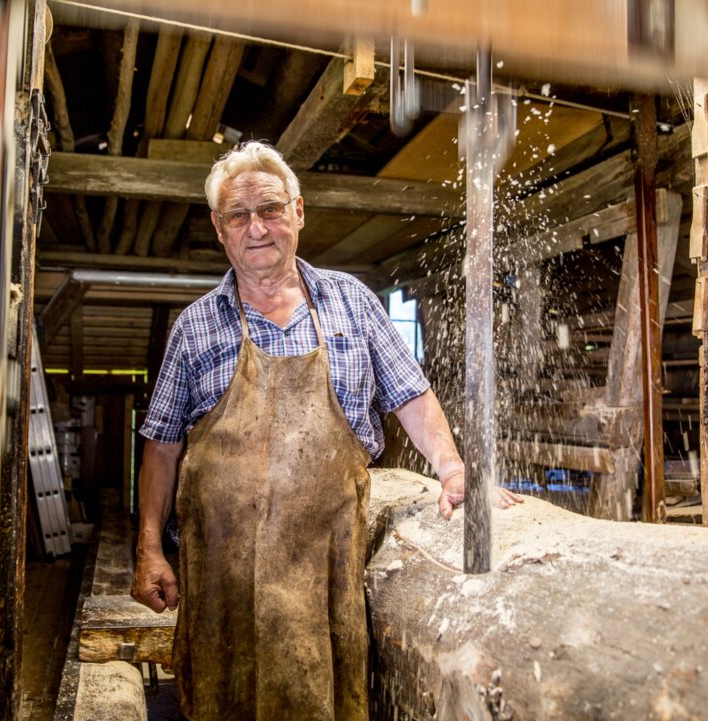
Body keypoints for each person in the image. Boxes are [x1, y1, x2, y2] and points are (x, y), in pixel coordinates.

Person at [130, 141, 521, 720]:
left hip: (328, 573)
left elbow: (411, 396)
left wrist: (453, 468)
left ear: (299, 212)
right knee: (221, 701)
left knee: (326, 700)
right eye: (239, 216)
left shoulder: (351, 303)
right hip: (219, 582)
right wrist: (148, 549)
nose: (256, 228)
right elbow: (162, 448)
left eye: (270, 209)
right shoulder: (195, 327)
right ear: (219, 229)